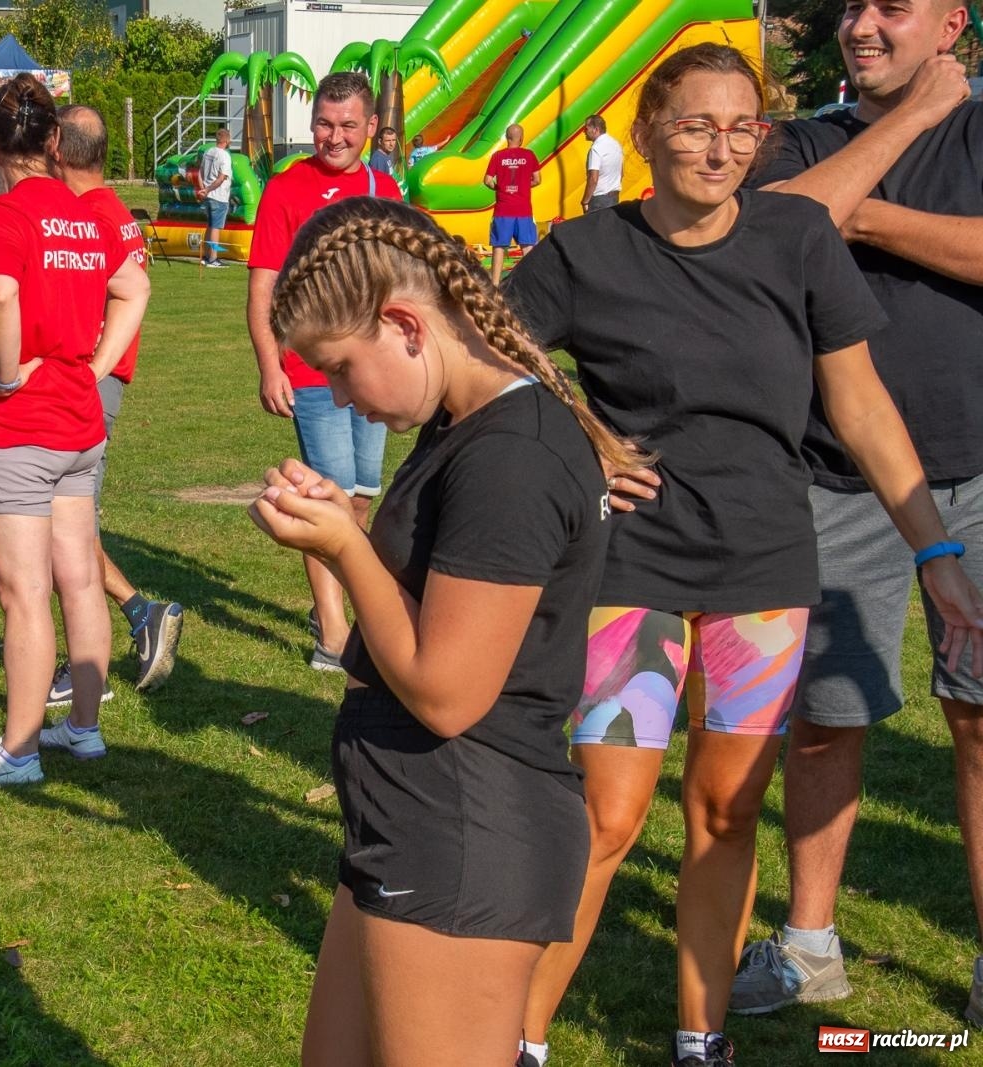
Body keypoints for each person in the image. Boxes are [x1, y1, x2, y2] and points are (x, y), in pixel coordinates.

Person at [503, 43, 983, 1067]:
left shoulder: (797, 236)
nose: (718, 149)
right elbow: (490, 355)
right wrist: (585, 433)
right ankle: (519, 1038)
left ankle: (699, 1036)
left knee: (726, 810)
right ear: (645, 134)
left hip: (761, 565)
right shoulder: (583, 249)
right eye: (692, 125)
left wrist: (932, 546)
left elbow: (858, 404)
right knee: (607, 812)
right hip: (627, 563)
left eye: (739, 128)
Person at [252, 196, 636, 1066]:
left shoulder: (509, 455)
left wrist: (345, 546)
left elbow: (447, 690)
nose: (341, 395)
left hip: (467, 826)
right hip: (411, 816)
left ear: (406, 325)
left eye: (342, 370)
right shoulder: (464, 424)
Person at [731, 0, 983, 1025]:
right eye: (852, 8)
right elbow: (776, 225)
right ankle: (810, 943)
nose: (861, 24)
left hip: (976, 468)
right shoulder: (803, 137)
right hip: (833, 474)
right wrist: (912, 120)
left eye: (891, 6)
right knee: (827, 721)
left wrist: (864, 212)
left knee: (978, 716)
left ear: (951, 21)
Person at [0, 74, 149, 786]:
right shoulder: (89, 211)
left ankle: (19, 752)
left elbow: (0, 291)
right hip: (79, 422)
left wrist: (6, 367)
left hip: (19, 428)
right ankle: (82, 729)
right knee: (81, 578)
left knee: (23, 593)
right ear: (54, 140)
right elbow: (135, 287)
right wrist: (93, 369)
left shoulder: (7, 213)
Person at [248, 71, 403, 671]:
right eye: (322, 124)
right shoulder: (286, 190)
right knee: (323, 494)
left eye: (346, 126)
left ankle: (334, 604)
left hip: (378, 372)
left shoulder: (385, 188)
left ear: (370, 129)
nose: (332, 137)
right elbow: (262, 287)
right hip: (311, 374)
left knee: (360, 496)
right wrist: (270, 365)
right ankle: (333, 633)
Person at [46, 103, 184, 696]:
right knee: (65, 525)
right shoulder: (113, 211)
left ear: (55, 147)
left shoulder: (86, 216)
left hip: (88, 381)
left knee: (64, 528)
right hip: (102, 380)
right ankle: (98, 651)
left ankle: (116, 638)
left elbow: (126, 293)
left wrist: (89, 368)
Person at [484, 123, 540, 284]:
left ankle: (495, 285)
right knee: (527, 246)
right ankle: (532, 283)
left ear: (507, 138)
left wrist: (499, 188)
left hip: (503, 208)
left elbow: (487, 180)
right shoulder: (529, 155)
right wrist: (523, 186)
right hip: (523, 208)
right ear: (521, 138)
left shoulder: (498, 156)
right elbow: (537, 179)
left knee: (499, 246)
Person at [199, 126, 234, 268]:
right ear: (226, 140)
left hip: (208, 195)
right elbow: (221, 178)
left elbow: (200, 172)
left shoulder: (208, 152)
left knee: (210, 226)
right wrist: (207, 189)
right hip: (218, 196)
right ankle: (213, 259)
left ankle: (207, 256)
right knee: (216, 227)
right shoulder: (224, 155)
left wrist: (203, 189)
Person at [580, 114, 623, 212]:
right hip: (614, 197)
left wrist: (585, 201)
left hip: (599, 200)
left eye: (586, 129)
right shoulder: (616, 145)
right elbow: (621, 173)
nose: (584, 132)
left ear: (595, 129)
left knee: (596, 226)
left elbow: (593, 178)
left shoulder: (596, 149)